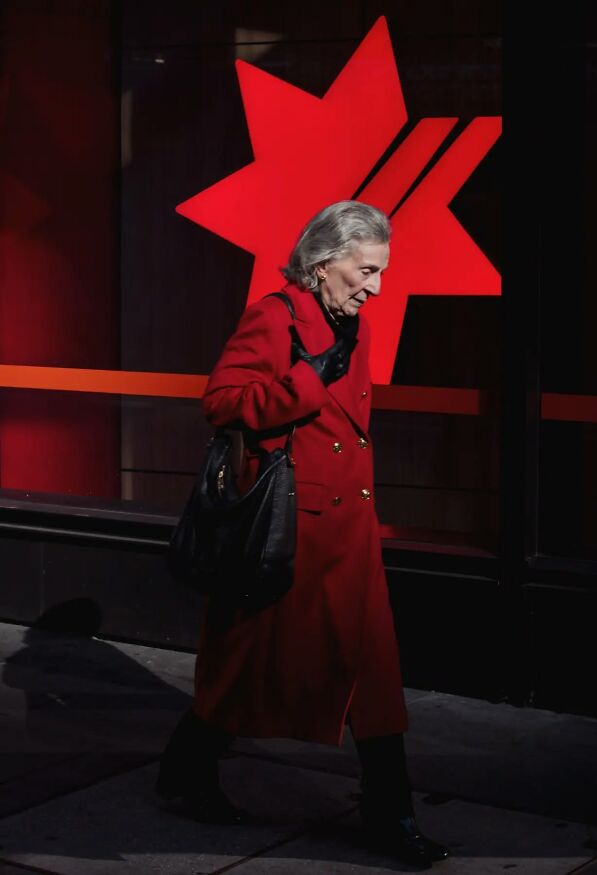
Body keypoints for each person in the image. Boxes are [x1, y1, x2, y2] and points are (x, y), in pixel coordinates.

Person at [157, 201, 449, 868]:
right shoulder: (276, 317)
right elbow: (220, 402)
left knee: (374, 677)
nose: (377, 286)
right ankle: (187, 768)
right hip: (290, 532)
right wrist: (307, 380)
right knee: (244, 663)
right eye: (366, 270)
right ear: (323, 265)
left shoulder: (355, 323)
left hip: (349, 527)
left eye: (381, 271)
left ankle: (391, 813)